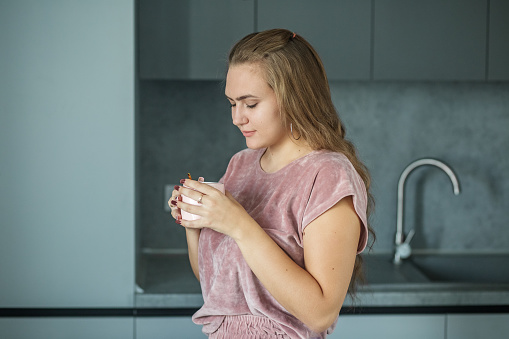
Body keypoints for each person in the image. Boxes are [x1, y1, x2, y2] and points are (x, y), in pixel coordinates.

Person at [169, 28, 375, 339]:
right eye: (231, 104)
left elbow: (320, 313)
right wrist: (194, 223)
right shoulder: (240, 165)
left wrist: (238, 223)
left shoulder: (328, 175)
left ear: (294, 97)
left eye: (250, 104)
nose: (238, 118)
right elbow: (217, 286)